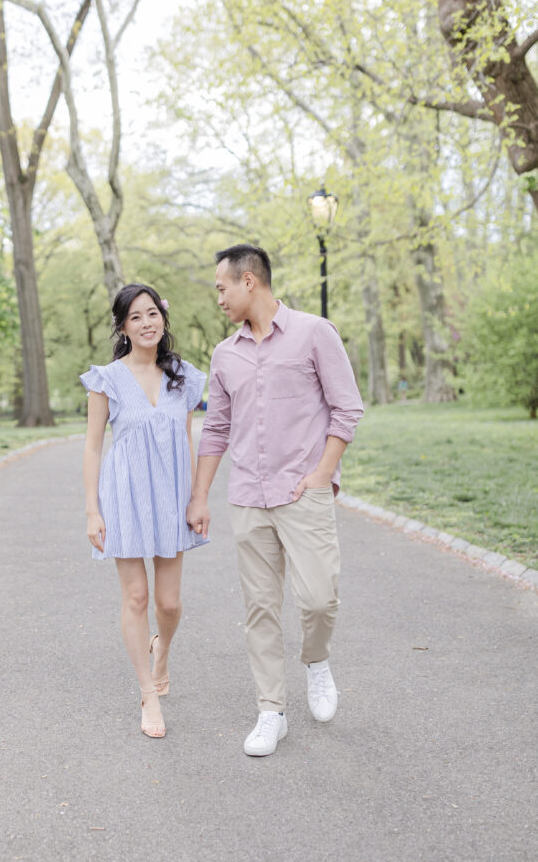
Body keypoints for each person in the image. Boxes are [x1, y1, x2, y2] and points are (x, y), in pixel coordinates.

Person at [187, 245, 363, 756]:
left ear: (248, 282)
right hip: (248, 496)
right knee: (260, 608)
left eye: (221, 287)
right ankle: (271, 711)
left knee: (319, 597)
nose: (217, 297)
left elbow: (346, 409)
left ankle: (317, 660)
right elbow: (216, 429)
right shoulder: (226, 355)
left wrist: (321, 475)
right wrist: (201, 496)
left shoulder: (314, 333)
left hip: (302, 492)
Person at [81, 283, 207, 739]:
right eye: (135, 316)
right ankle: (147, 695)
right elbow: (94, 448)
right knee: (136, 598)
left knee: (169, 603)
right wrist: (93, 511)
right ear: (122, 327)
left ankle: (163, 651)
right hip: (125, 498)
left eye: (152, 313)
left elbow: (187, 442)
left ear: (163, 318)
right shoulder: (106, 379)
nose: (146, 322)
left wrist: (198, 497)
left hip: (172, 498)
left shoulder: (184, 377)